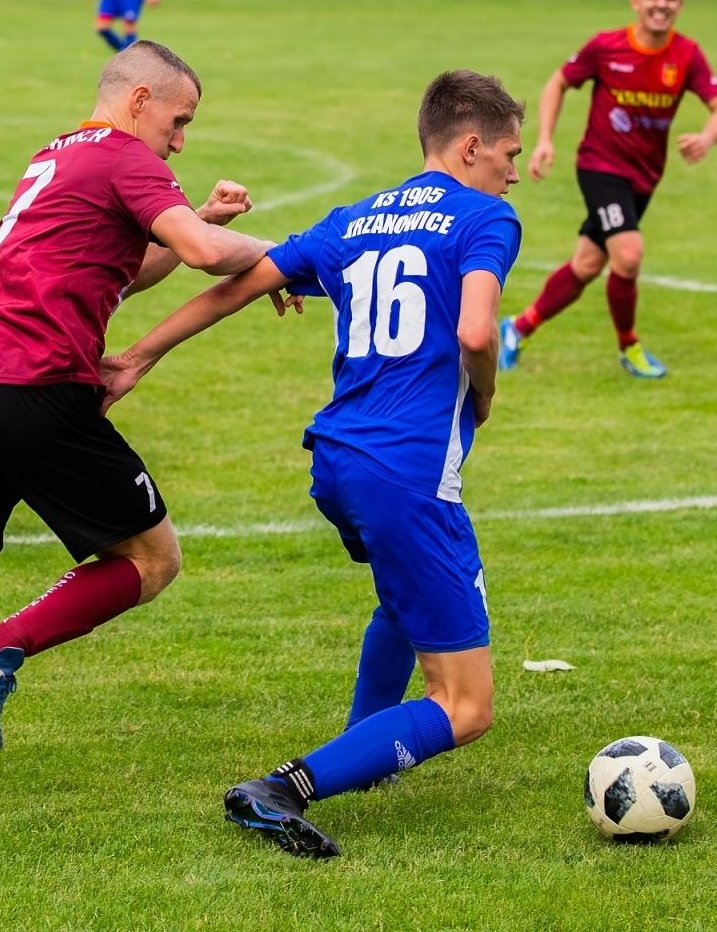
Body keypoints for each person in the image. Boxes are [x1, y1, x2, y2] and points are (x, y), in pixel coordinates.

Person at [0, 41, 282, 814]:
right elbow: (211, 256)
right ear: (139, 99)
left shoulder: (57, 155)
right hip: (37, 390)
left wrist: (192, 222)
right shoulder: (124, 156)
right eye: (179, 120)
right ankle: (4, 649)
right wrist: (292, 255)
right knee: (152, 558)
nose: (181, 141)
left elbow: (125, 266)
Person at [99, 71, 525, 858]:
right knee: (466, 705)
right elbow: (475, 333)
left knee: (405, 604)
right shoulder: (487, 217)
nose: (515, 167)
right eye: (508, 152)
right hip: (406, 473)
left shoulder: (356, 218)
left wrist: (137, 356)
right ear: (469, 146)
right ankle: (280, 788)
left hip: (336, 459)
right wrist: (486, 395)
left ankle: (368, 752)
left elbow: (234, 287)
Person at [500, 0, 717, 378]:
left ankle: (517, 328)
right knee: (628, 256)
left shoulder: (686, 55)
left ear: (679, 5)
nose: (661, 5)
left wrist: (708, 138)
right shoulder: (607, 47)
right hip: (600, 167)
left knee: (588, 265)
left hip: (645, 177)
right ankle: (630, 347)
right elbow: (558, 83)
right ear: (636, 2)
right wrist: (545, 140)